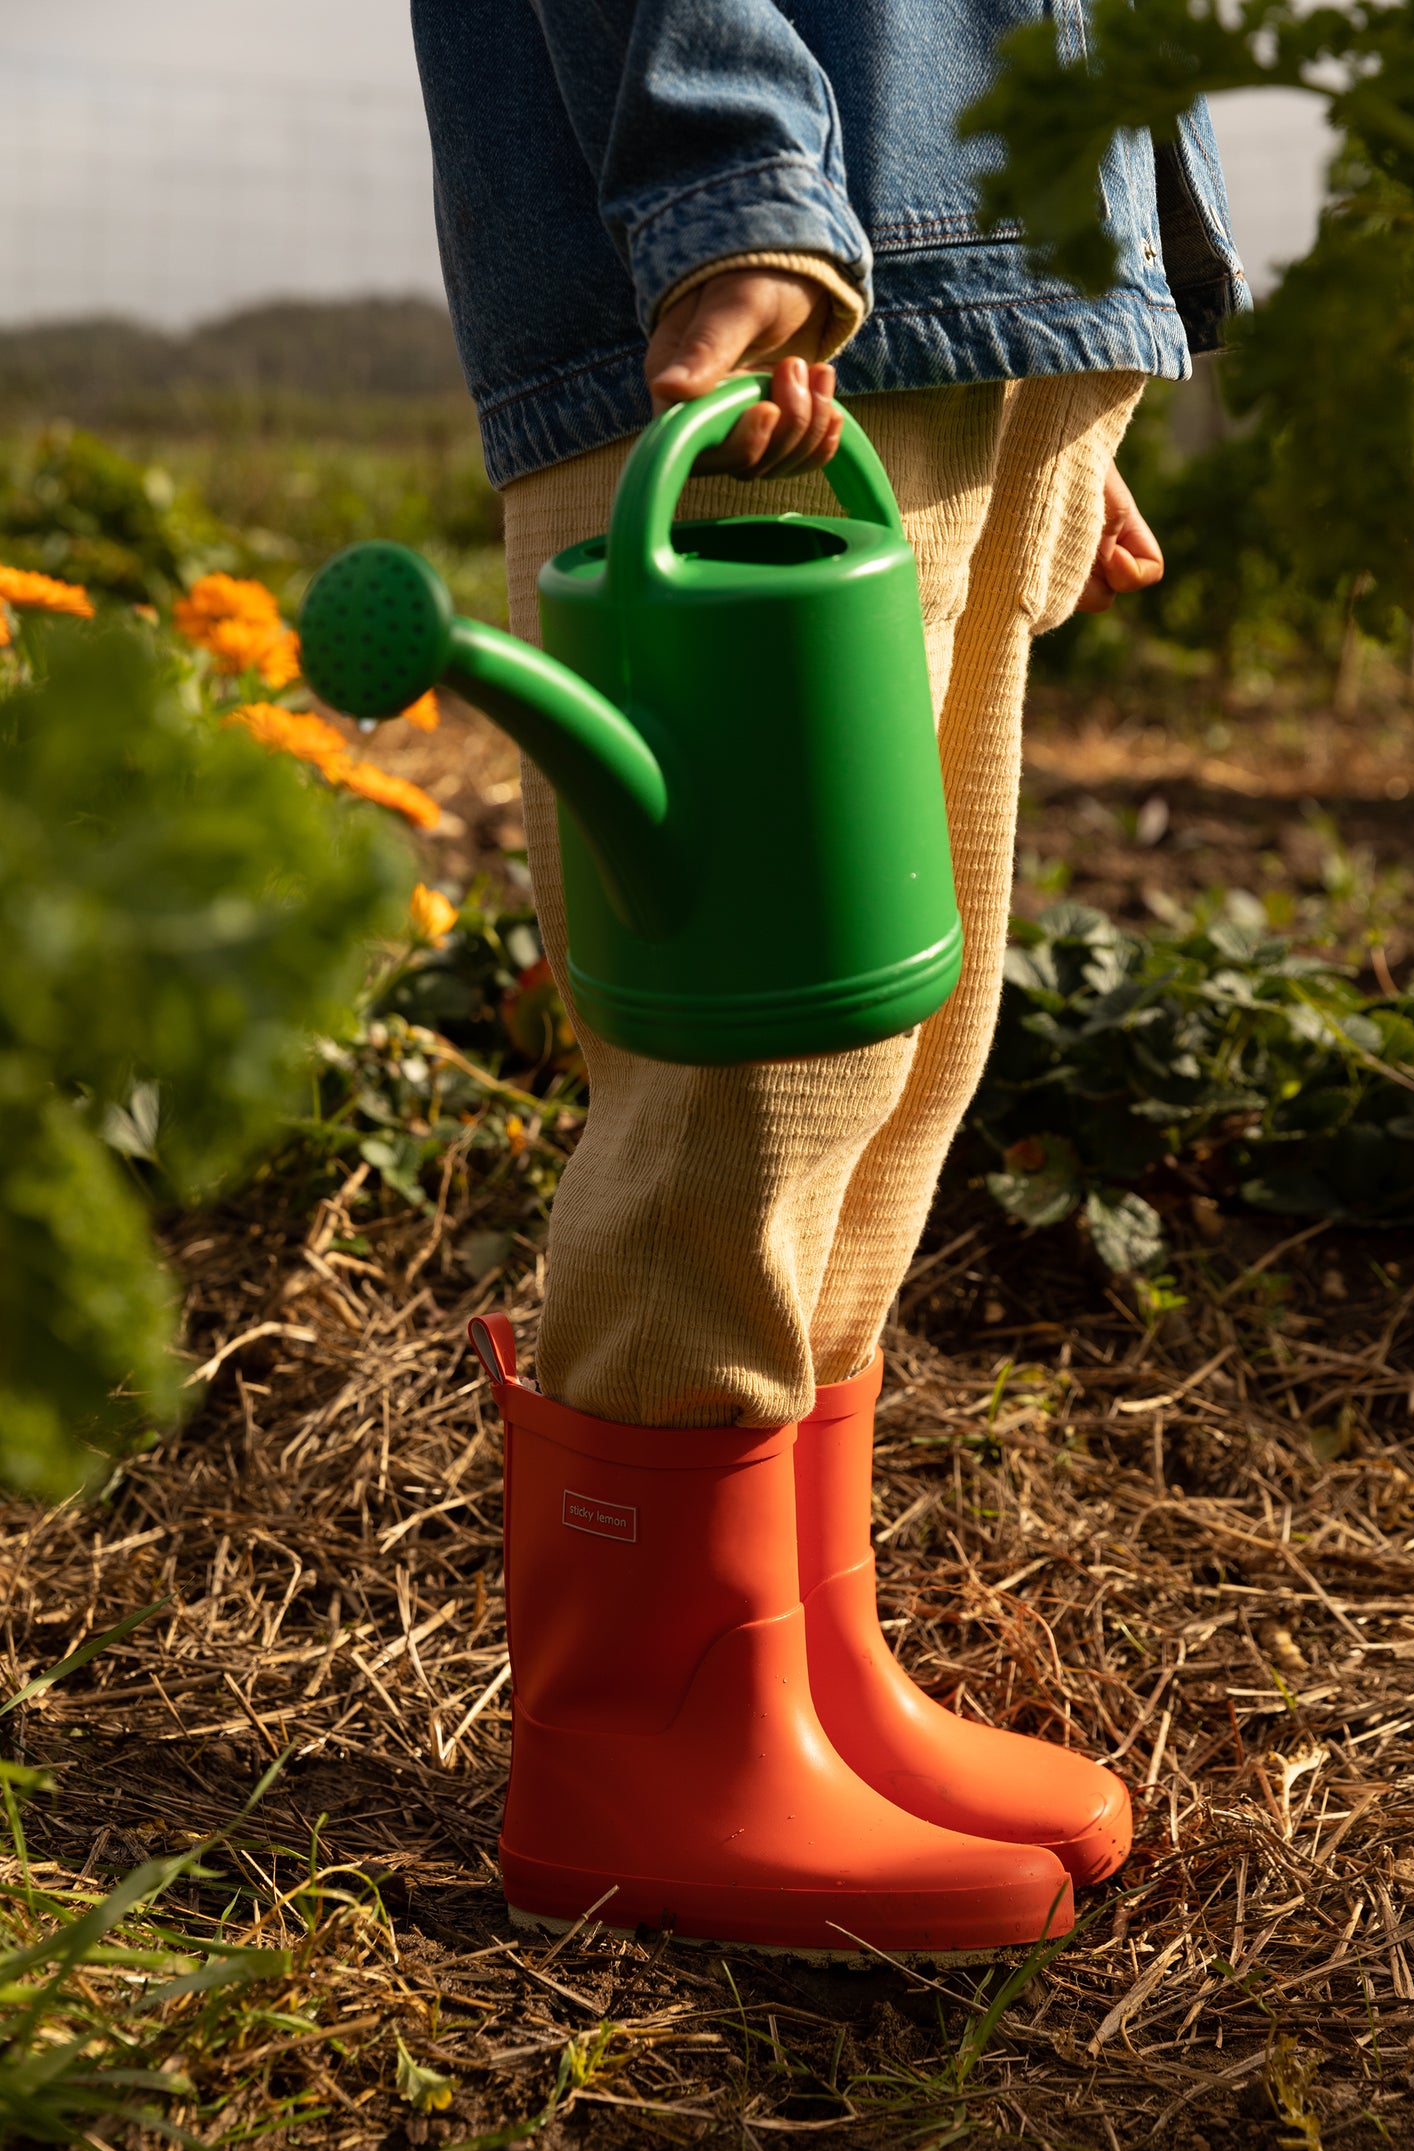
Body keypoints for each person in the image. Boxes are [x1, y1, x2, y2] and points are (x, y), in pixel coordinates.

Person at [415, 0, 1247, 1957]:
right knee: (760, 1061)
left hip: (968, 258)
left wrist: (1094, 307)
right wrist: (733, 183)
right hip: (757, 287)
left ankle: (799, 1677)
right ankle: (642, 1741)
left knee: (904, 1029)